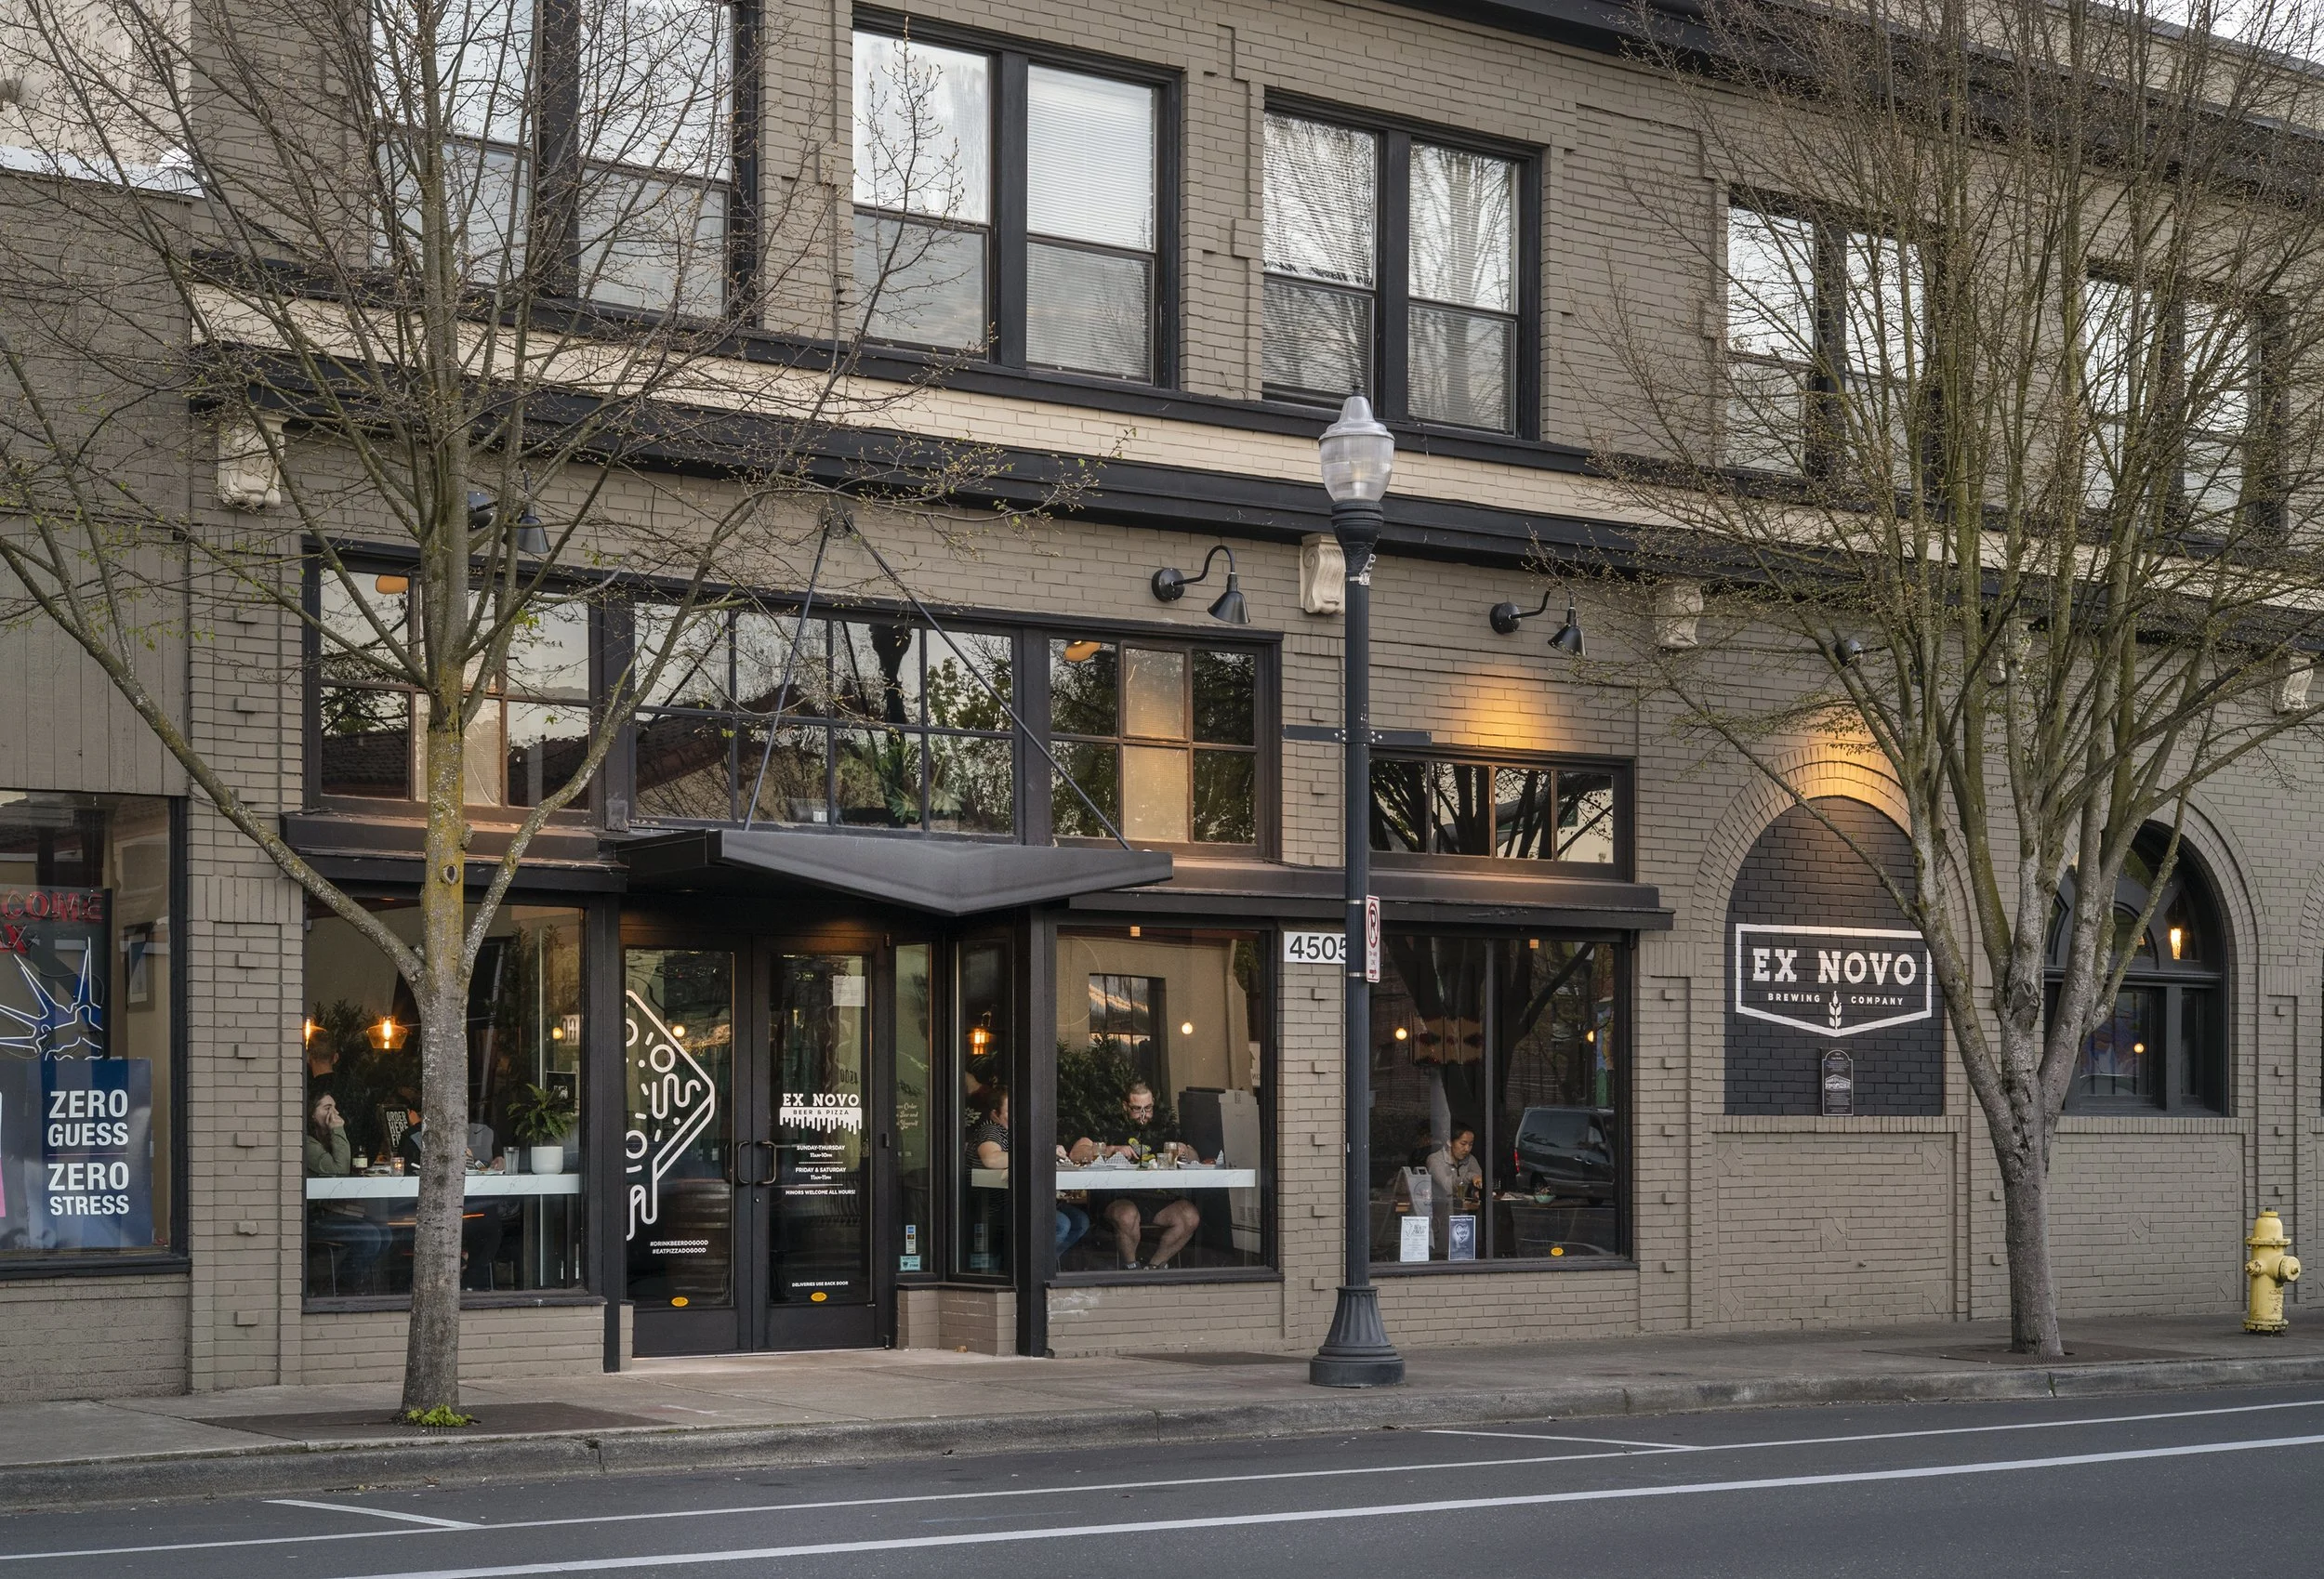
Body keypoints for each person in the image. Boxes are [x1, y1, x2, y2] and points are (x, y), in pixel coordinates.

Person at [1072, 1082, 1203, 1270]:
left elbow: (1195, 1158)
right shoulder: (1108, 1125)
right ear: (1125, 1106)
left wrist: (1184, 1152)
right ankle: (1131, 1269)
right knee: (1126, 1215)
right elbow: (1076, 1153)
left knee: (1190, 1216)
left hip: (1159, 1196)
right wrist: (1111, 1149)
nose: (1143, 1116)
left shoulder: (1165, 1126)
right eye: (1136, 1109)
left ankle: (1154, 1267)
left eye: (1148, 1108)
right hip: (1118, 1197)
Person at [965, 1083, 1089, 1259]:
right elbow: (991, 1159)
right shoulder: (991, 1130)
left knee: (1080, 1221)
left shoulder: (1019, 1134)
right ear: (995, 1114)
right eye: (1010, 1111)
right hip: (996, 1208)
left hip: (1022, 1201)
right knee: (1060, 1224)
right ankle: (1032, 1269)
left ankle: (1044, 1266)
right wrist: (1041, 1153)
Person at [303, 1092, 390, 1291]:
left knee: (385, 1234)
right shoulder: (308, 1143)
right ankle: (343, 1287)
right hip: (313, 1218)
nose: (334, 1113)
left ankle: (347, 1281)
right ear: (311, 1115)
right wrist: (339, 1130)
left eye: (334, 1107)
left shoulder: (327, 1138)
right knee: (371, 1238)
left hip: (331, 1212)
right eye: (326, 1108)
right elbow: (339, 1171)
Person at [1426, 1125, 1484, 1210]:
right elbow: (1448, 1186)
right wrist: (1471, 1177)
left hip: (1465, 1210)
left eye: (1470, 1144)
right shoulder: (1435, 1159)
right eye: (1463, 1144)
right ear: (1449, 1142)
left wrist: (1476, 1191)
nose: (1467, 1149)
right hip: (1441, 1210)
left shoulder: (1471, 1159)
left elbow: (1479, 1180)